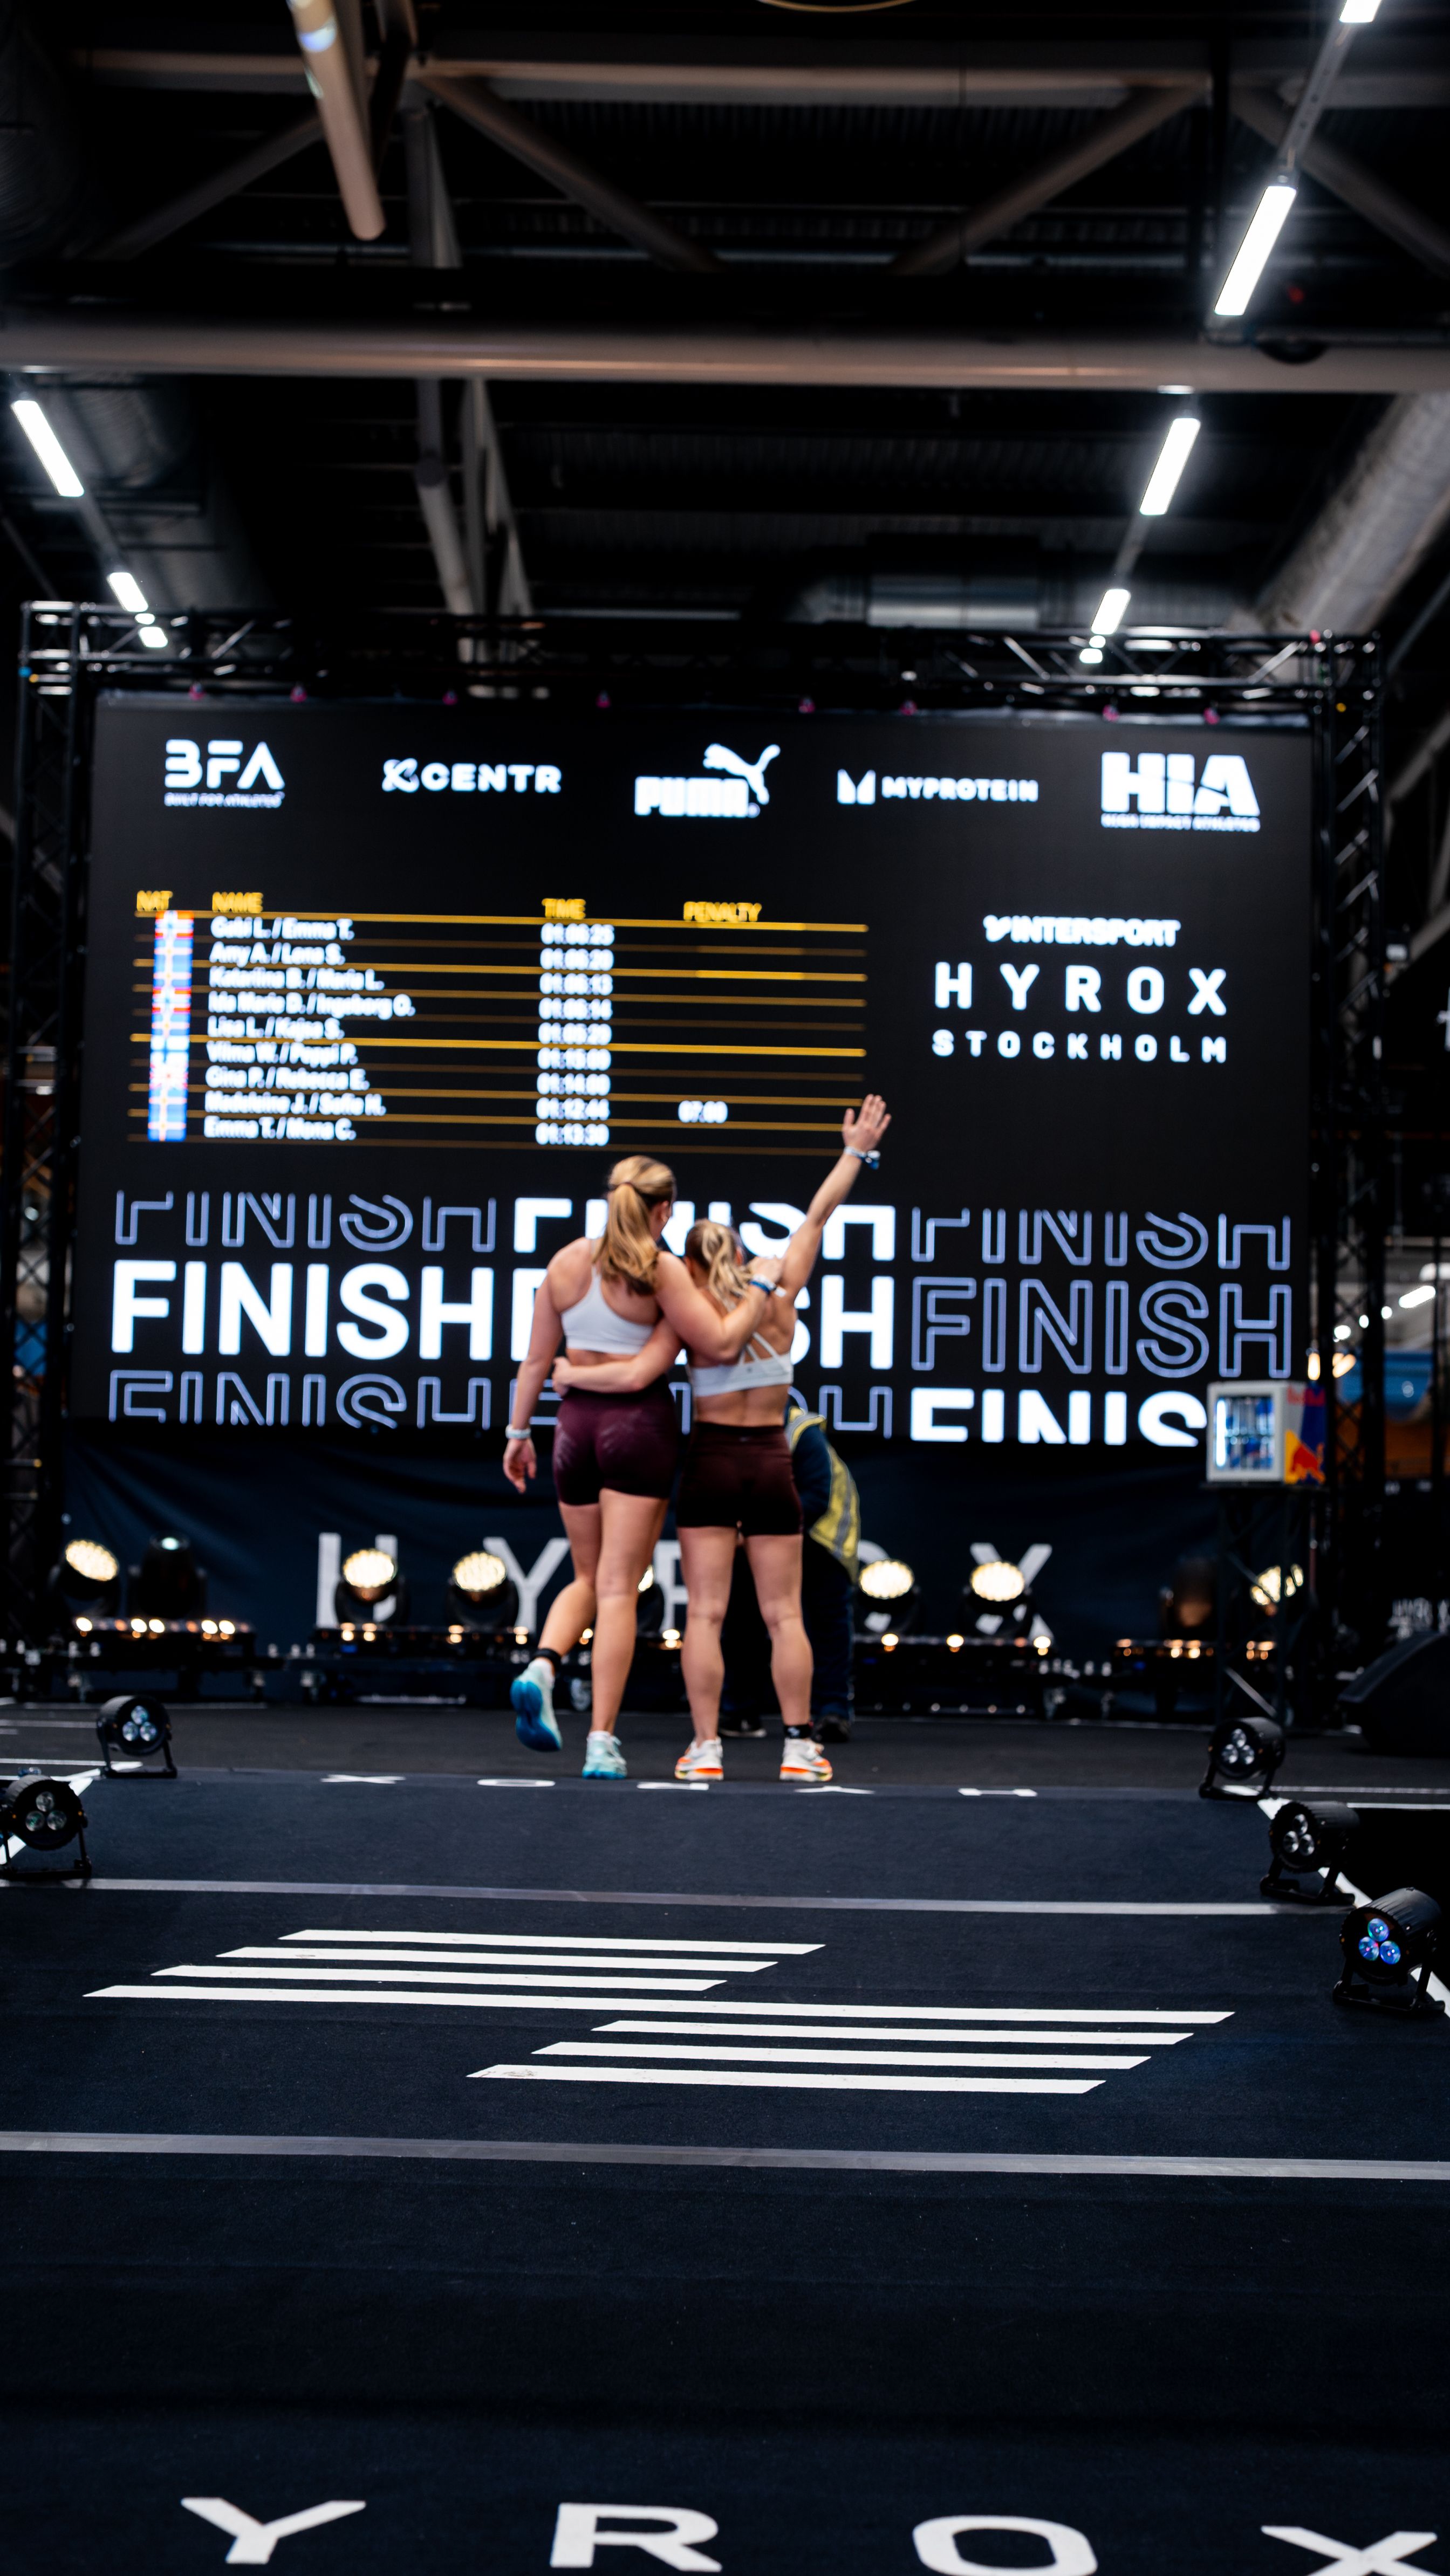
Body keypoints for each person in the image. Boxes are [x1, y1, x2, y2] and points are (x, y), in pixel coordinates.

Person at [555, 1096, 890, 1787]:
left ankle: (705, 1747)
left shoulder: (688, 1311)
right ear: (740, 1253)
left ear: (693, 1263)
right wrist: (854, 1151)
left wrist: (565, 1373)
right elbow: (819, 1215)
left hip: (710, 1462)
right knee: (784, 1613)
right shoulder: (780, 1294)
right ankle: (799, 1747)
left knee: (704, 1612)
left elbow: (636, 1369)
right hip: (770, 1460)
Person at [503, 1153, 784, 1778]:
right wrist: (761, 1287)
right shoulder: (661, 1269)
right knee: (617, 1587)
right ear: (665, 1211)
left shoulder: (565, 1262)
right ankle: (601, 1740)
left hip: (572, 1429)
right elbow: (717, 1342)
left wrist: (518, 1432)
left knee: (584, 1574)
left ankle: (544, 1664)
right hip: (637, 1429)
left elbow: (533, 1362)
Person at [719, 1398, 860, 1743]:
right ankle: (739, 1711)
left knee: (826, 1624)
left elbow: (816, 1498)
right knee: (741, 1621)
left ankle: (832, 1712)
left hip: (818, 1541)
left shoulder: (801, 1433)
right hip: (757, 1537)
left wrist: (755, 1528)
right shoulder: (729, 1430)